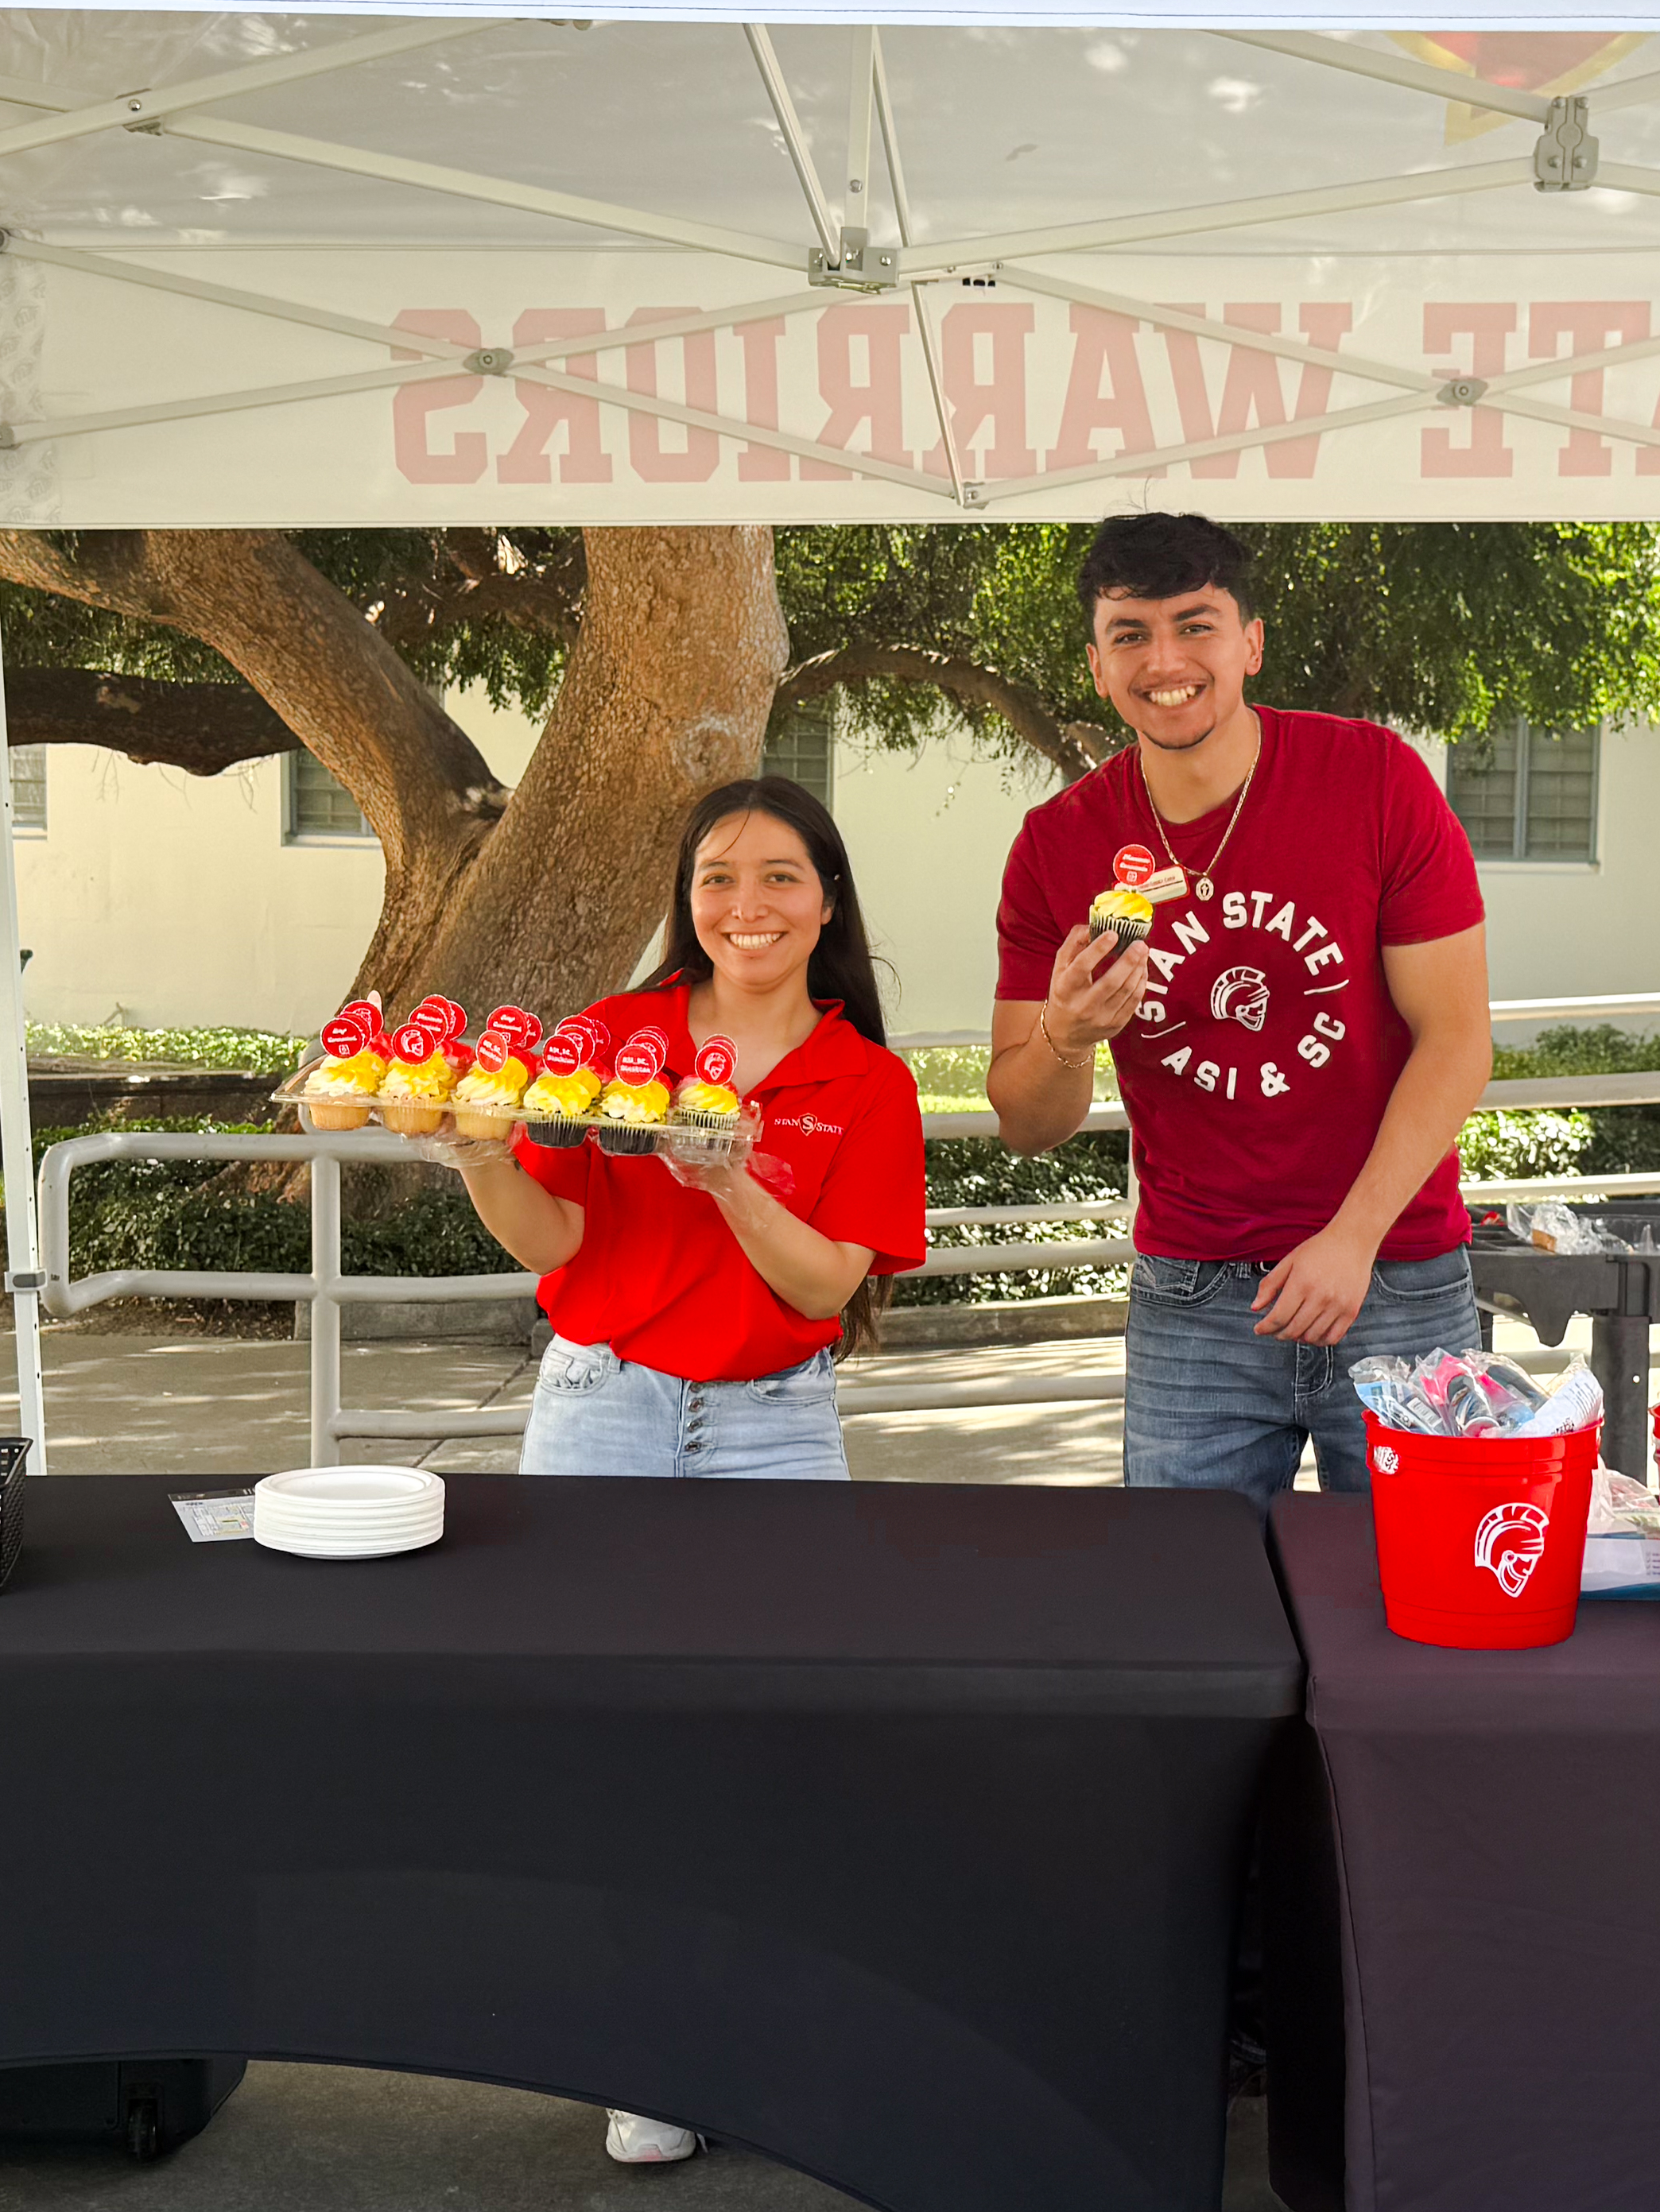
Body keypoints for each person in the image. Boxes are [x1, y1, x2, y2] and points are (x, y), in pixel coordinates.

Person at [430, 774, 929, 2164]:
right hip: (600, 1409)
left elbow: (826, 1285)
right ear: (685, 899)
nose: (745, 904)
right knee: (608, 1732)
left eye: (778, 876)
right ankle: (646, 2049)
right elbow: (546, 1240)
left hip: (774, 1418)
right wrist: (478, 1149)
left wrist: (724, 1175)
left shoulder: (864, 1080)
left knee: (771, 1730)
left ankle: (765, 2026)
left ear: (825, 900)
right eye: (717, 875)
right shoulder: (610, 1039)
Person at [987, 513, 1492, 1511]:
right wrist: (1067, 1034)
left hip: (1394, 1270)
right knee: (1187, 1619)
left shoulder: (1375, 780)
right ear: (1096, 664)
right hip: (1192, 1297)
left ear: (1251, 643)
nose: (1164, 660)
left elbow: (1457, 1037)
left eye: (1196, 624)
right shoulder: (1056, 846)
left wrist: (1351, 1238)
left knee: (1427, 1615)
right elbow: (1024, 1120)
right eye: (1130, 633)